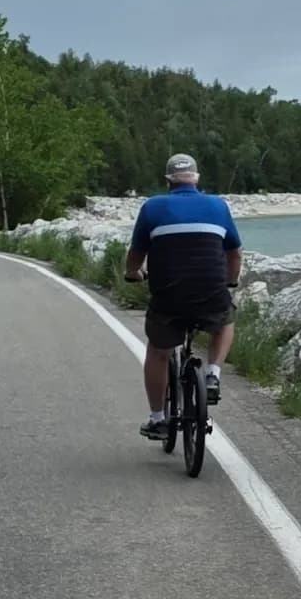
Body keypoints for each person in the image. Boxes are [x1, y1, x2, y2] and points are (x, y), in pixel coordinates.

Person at [124, 153, 242, 440]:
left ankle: (157, 419)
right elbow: (234, 252)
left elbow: (136, 254)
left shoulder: (152, 207)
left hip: (169, 297)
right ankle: (213, 373)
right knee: (225, 320)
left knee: (158, 350)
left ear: (168, 181)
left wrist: (133, 274)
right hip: (209, 294)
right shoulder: (217, 205)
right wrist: (230, 282)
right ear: (196, 178)